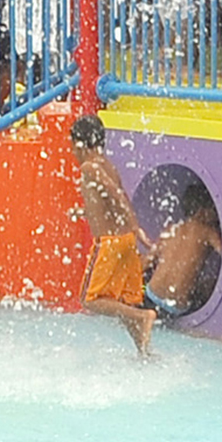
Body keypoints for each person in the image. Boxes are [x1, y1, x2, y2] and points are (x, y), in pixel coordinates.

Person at [70, 115, 154, 355]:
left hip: (109, 244)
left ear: (80, 143)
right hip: (124, 240)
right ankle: (144, 352)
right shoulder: (107, 164)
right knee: (126, 301)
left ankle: (142, 316)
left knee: (89, 299)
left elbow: (116, 194)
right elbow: (115, 200)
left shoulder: (89, 167)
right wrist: (85, 211)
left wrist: (137, 226)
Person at [146, 180, 222, 317]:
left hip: (151, 297)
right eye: (213, 210)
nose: (216, 216)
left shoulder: (171, 229)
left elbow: (147, 263)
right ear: (202, 211)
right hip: (175, 307)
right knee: (208, 284)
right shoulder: (208, 232)